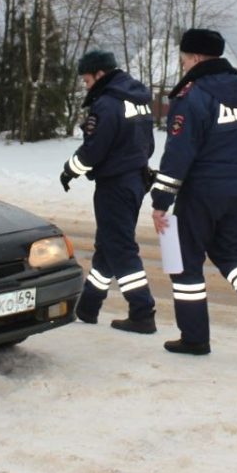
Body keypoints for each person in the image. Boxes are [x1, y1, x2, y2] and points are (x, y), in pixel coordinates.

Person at [150, 28, 237, 356]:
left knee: (184, 262)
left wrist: (161, 201)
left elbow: (179, 153)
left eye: (183, 59)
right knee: (233, 255)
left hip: (202, 191)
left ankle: (194, 338)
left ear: (194, 57)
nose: (182, 65)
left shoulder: (194, 95)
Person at [60, 50, 158, 334]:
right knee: (108, 245)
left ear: (100, 74)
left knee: (121, 248)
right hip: (136, 180)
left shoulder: (107, 104)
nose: (86, 85)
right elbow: (147, 144)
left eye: (87, 79)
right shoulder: (138, 99)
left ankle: (142, 311)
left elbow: (93, 151)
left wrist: (70, 169)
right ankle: (88, 307)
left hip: (115, 184)